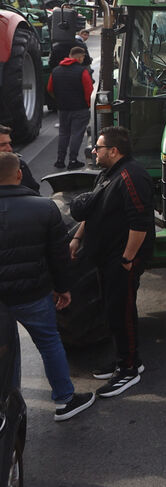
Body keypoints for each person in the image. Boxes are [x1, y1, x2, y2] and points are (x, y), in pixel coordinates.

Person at [0, 152, 96, 421]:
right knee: (49, 343)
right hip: (34, 294)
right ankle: (65, 400)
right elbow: (59, 256)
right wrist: (63, 287)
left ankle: (8, 407)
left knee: (5, 350)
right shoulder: (43, 208)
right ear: (19, 174)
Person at [70, 126, 154, 398]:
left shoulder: (132, 177)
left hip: (121, 260)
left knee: (122, 311)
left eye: (99, 147)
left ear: (114, 151)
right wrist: (77, 238)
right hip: (106, 257)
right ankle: (125, 358)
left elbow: (139, 224)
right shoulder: (108, 173)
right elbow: (93, 208)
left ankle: (129, 369)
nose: (94, 151)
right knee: (112, 310)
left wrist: (127, 259)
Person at [46, 46, 94, 170]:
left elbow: (50, 89)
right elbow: (89, 90)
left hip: (63, 108)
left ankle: (60, 160)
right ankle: (73, 160)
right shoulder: (82, 71)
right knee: (76, 134)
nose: (83, 59)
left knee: (63, 134)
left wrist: (59, 100)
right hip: (80, 108)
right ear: (79, 57)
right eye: (83, 57)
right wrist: (88, 104)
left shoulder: (56, 71)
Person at [0, 125, 41, 193]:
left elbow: (34, 190)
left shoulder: (19, 165)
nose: (9, 149)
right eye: (2, 145)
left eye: (9, 143)